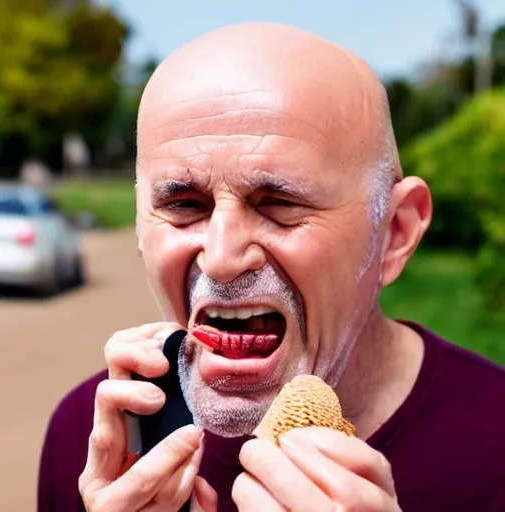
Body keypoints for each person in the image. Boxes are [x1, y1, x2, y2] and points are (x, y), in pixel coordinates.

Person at [38, 22, 505, 512]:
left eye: (279, 203)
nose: (220, 259)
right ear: (139, 223)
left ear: (394, 233)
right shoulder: (93, 447)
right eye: (184, 205)